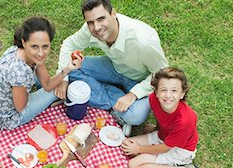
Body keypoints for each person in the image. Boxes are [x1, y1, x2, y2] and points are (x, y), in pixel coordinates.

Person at [55, 0, 168, 136]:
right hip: (113, 67)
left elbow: (163, 74)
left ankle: (101, 94)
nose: (96, 28)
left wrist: (133, 94)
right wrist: (64, 78)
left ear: (113, 14)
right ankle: (113, 100)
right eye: (90, 22)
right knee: (71, 69)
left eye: (101, 19)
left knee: (135, 115)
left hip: (139, 80)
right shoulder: (91, 29)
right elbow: (69, 44)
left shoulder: (142, 41)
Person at [0, 17, 82, 131]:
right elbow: (20, 107)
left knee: (52, 84)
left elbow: (47, 83)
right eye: (35, 46)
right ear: (24, 42)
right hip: (6, 118)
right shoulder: (21, 74)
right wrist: (27, 88)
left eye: (45, 46)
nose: (41, 53)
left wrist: (67, 69)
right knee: (59, 88)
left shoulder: (17, 50)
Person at [121, 67, 200, 168]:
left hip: (179, 150)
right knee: (127, 144)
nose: (168, 95)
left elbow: (165, 148)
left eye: (174, 90)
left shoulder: (184, 121)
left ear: (182, 94)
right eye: (163, 90)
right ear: (156, 92)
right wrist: (156, 128)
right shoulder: (154, 99)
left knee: (133, 165)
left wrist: (139, 149)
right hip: (163, 136)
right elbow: (161, 117)